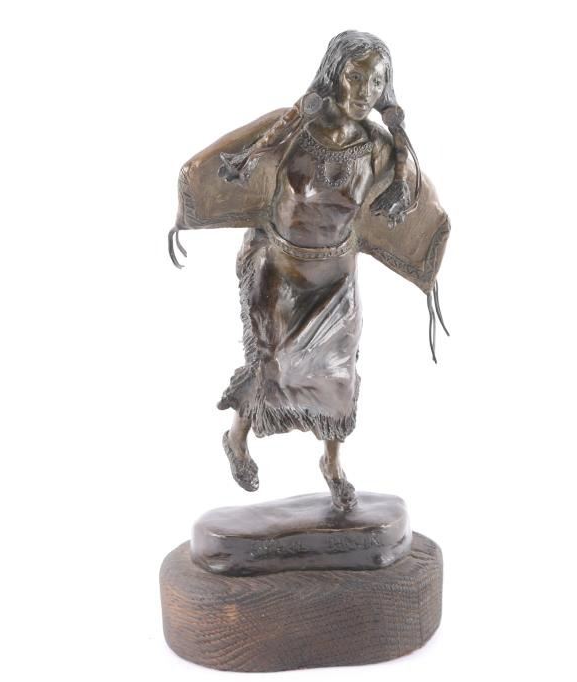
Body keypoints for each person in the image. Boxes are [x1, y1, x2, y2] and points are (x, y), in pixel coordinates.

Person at [170, 31, 450, 511]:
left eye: (376, 82)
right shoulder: (292, 128)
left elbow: (419, 199)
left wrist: (412, 219)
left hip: (336, 284)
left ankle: (333, 464)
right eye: (355, 77)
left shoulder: (380, 149)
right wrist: (207, 193)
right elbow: (236, 158)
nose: (364, 92)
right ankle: (237, 438)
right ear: (334, 74)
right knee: (271, 367)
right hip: (278, 272)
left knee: (338, 377)